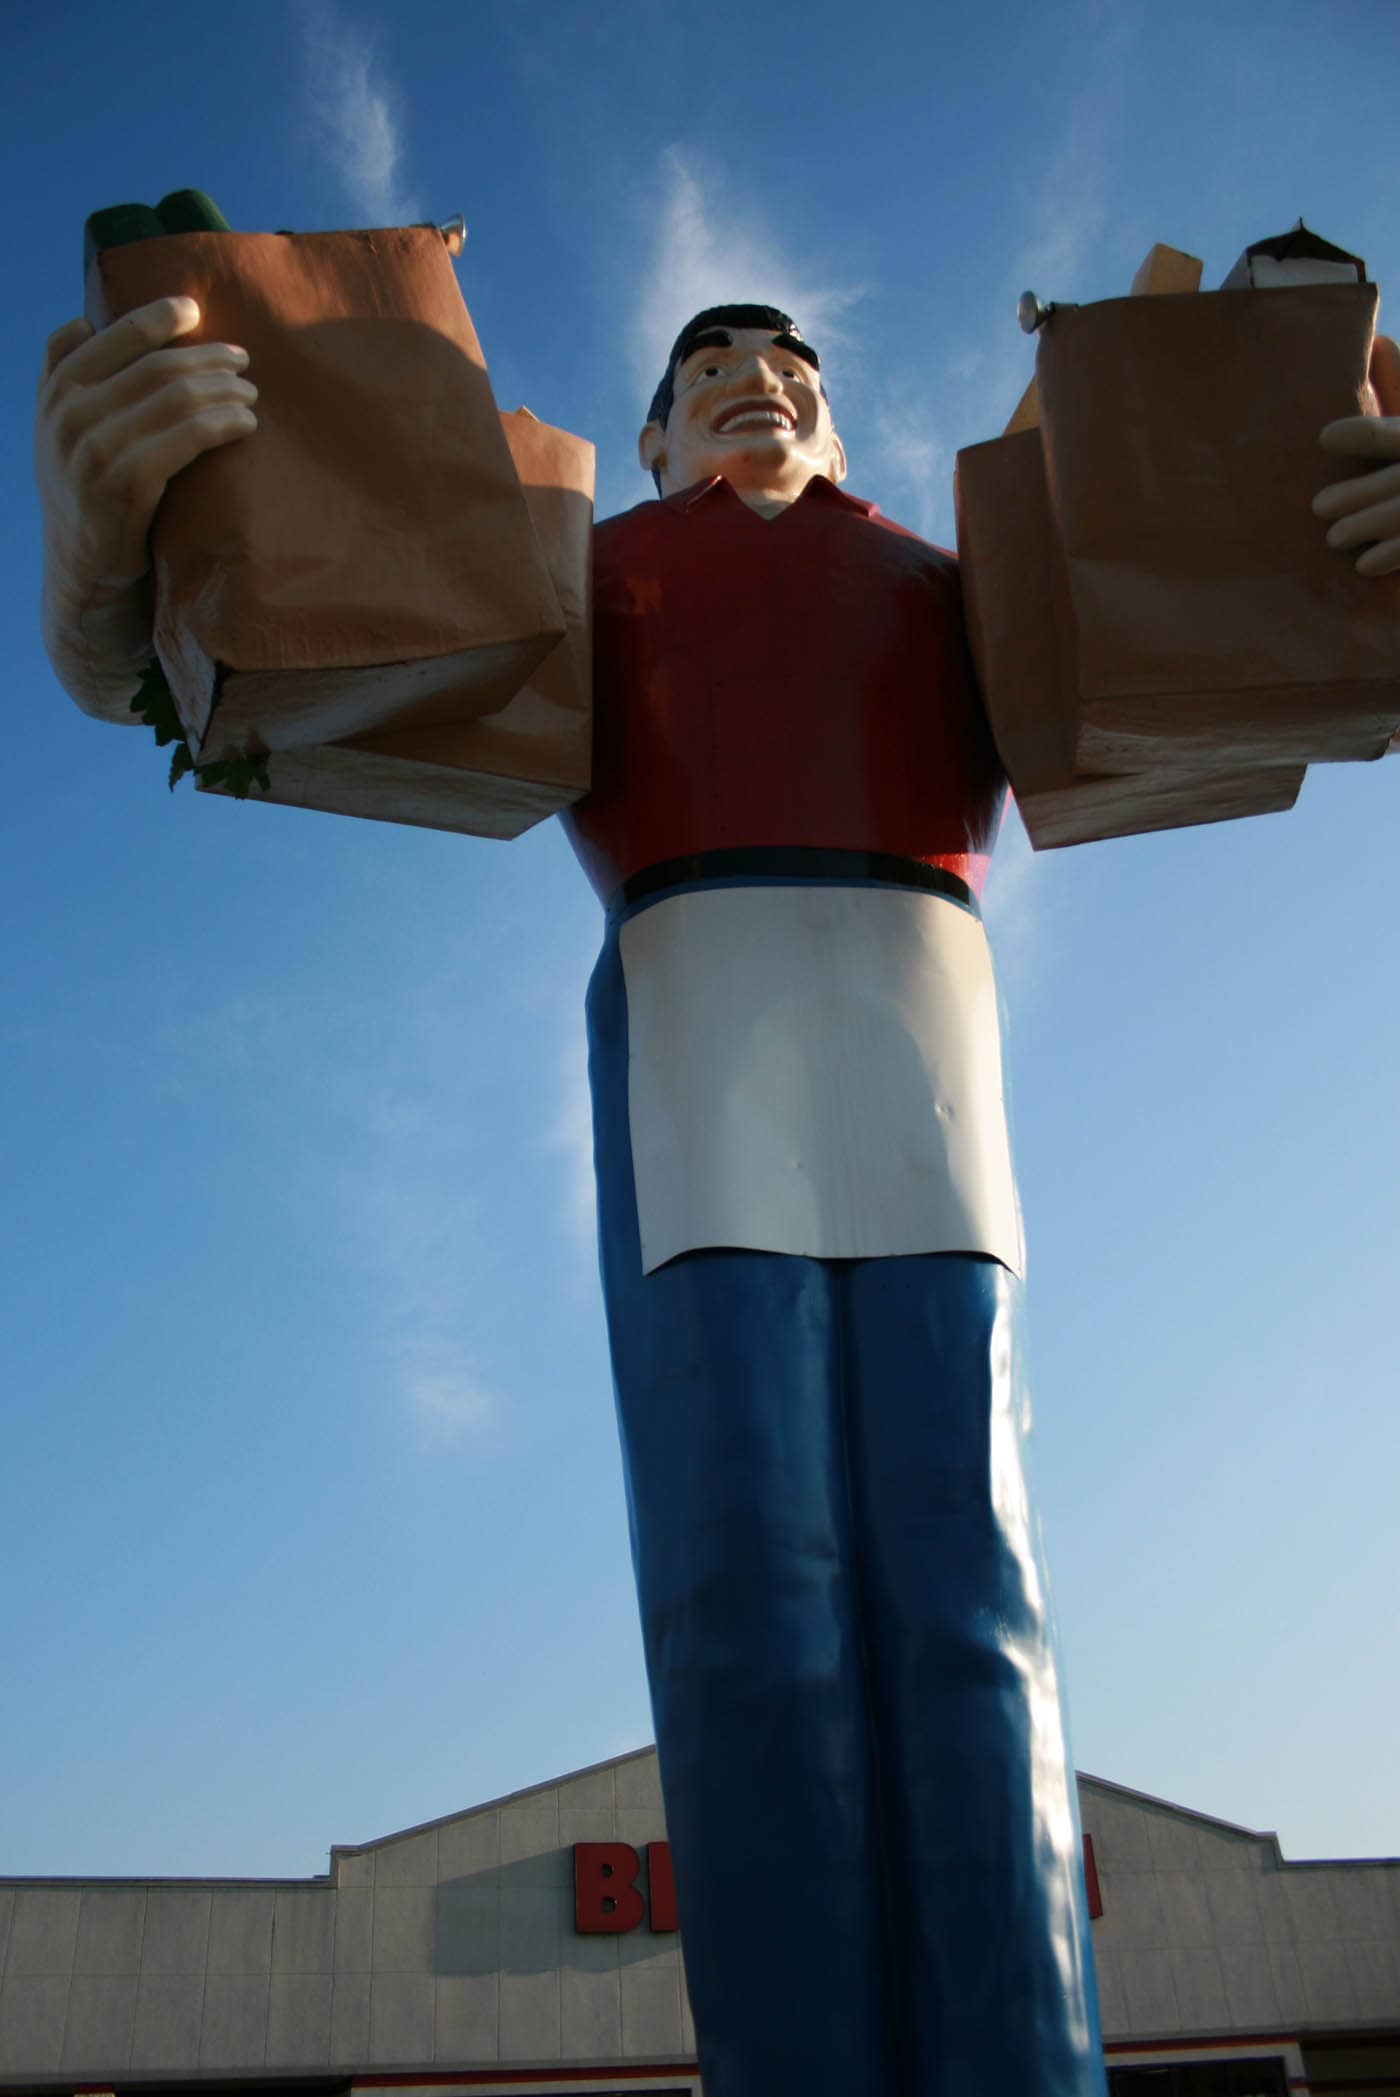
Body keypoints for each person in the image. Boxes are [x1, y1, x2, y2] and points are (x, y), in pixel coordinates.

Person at [34, 290, 1400, 2097]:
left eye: (794, 373)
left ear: (838, 431)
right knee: (751, 1581)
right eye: (703, 376)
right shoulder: (574, 575)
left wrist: (1312, 548)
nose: (755, 383)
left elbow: (1217, 646)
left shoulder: (953, 579)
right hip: (696, 1007)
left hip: (926, 1019)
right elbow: (239, 683)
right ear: (660, 437)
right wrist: (109, 575)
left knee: (968, 1577)